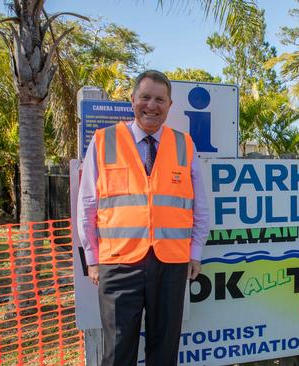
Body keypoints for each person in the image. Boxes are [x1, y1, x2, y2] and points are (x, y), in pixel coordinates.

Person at [77, 70, 209, 366]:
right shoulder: (103, 141)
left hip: (171, 263)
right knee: (118, 350)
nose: (152, 105)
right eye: (145, 97)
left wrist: (195, 252)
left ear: (170, 105)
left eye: (160, 99)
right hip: (118, 263)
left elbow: (199, 204)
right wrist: (93, 258)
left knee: (164, 349)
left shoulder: (184, 144)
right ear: (132, 100)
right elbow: (87, 203)